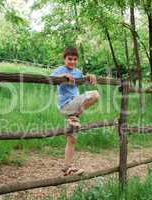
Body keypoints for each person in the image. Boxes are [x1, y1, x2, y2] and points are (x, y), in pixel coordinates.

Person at [50, 47, 100, 176]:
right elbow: (50, 78)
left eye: (75, 59)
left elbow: (85, 80)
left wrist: (89, 76)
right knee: (95, 94)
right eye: (69, 59)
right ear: (64, 59)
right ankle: (78, 113)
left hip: (73, 106)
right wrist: (63, 76)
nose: (72, 62)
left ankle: (68, 167)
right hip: (67, 105)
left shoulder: (77, 72)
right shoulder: (60, 70)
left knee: (72, 139)